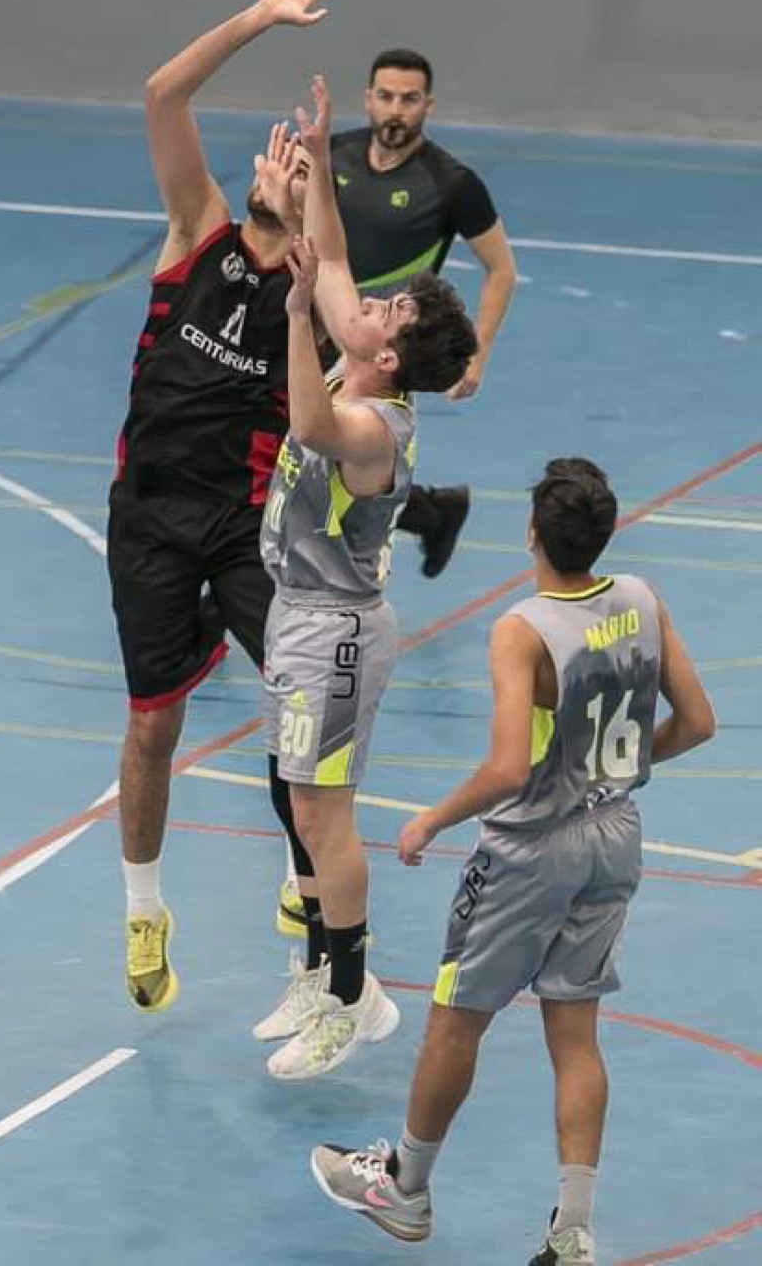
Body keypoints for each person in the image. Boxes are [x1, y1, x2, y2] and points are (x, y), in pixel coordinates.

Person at [310, 457, 717, 1262]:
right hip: (614, 835)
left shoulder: (522, 630)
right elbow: (697, 722)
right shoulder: (642, 599)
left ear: (532, 533)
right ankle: (572, 1232)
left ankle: (405, 1189)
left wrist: (430, 820)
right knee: (575, 1034)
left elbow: (504, 768)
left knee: (454, 1020)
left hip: (530, 850)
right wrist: (613, 771)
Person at [111, 0, 338, 1014]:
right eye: (271, 153)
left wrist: (315, 189)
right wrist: (260, 14)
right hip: (148, 518)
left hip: (249, 524)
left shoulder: (311, 287)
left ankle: (301, 876)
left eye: (288, 163)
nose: (271, 159)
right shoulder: (196, 230)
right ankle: (143, 907)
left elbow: (336, 285)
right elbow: (164, 93)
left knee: (299, 703)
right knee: (152, 726)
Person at [253, 77, 478, 1079]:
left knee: (323, 814)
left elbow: (309, 424)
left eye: (385, 309)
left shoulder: (373, 425)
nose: (370, 301)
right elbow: (338, 256)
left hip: (335, 632)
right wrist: (317, 176)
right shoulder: (366, 356)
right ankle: (321, 970)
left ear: (385, 353)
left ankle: (352, 996)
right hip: (296, 612)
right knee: (294, 797)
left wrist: (298, 312)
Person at [331, 48, 519, 580]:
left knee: (345, 471)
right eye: (386, 97)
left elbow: (502, 270)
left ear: (428, 106)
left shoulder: (452, 184)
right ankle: (435, 513)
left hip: (381, 355)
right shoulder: (332, 156)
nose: (396, 110)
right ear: (368, 99)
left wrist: (478, 354)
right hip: (315, 332)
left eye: (409, 100)